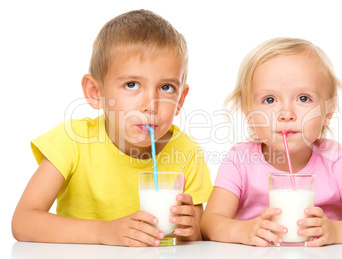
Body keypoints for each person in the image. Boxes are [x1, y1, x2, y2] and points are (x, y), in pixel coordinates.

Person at [12, 9, 213, 247]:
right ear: (96, 93)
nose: (151, 105)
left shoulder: (187, 153)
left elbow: (197, 239)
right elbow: (23, 222)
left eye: (166, 88)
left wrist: (190, 230)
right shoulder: (73, 141)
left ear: (181, 99)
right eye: (131, 84)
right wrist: (104, 232)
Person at [200, 38, 342, 247]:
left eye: (303, 98)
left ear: (328, 112)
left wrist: (335, 231)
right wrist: (243, 230)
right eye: (270, 100)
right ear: (249, 114)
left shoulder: (334, 159)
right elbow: (209, 223)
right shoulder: (240, 160)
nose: (286, 114)